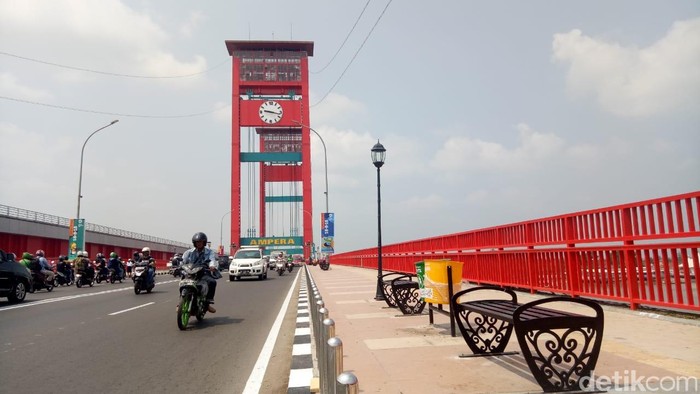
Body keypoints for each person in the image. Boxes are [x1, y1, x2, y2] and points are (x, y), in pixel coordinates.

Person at [181, 232, 219, 313]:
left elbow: (212, 260)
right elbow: (183, 260)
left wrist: (212, 266)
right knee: (182, 283)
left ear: (204, 242)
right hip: (191, 272)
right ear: (194, 243)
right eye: (197, 242)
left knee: (212, 282)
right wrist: (179, 265)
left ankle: (207, 303)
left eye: (200, 242)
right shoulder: (189, 252)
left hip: (203, 272)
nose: (199, 244)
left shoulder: (210, 252)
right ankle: (181, 301)